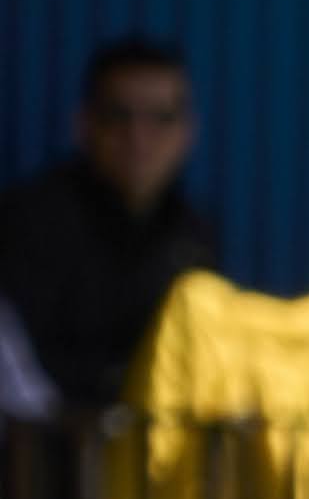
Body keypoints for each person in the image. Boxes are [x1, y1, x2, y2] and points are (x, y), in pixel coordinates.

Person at [0, 38, 214, 412]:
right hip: (45, 455)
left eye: (160, 118)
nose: (138, 138)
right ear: (84, 125)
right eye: (119, 116)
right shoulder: (29, 222)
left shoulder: (193, 236)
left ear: (186, 133)